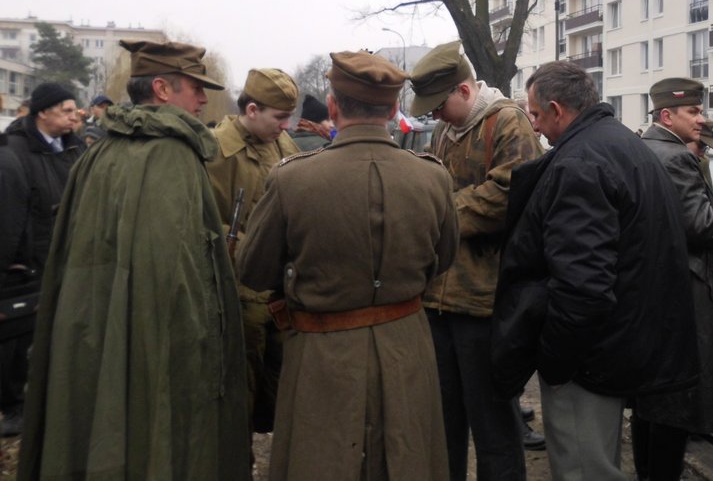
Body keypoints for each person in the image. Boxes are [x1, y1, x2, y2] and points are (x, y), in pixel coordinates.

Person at [17, 40, 250, 481]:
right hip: (154, 341)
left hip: (92, 329)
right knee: (154, 424)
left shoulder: (98, 153)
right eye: (195, 87)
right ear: (162, 88)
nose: (203, 99)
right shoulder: (175, 157)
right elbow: (180, 283)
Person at [237, 51, 459, 481]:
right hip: (407, 346)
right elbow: (444, 258)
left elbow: (253, 271)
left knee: (319, 462)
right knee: (406, 460)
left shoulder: (291, 178)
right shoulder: (433, 177)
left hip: (321, 354)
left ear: (333, 106)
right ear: (393, 110)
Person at [492, 60, 698, 481]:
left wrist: (556, 362)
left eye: (536, 115)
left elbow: (582, 286)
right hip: (620, 344)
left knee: (585, 471)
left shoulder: (580, 162)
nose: (535, 127)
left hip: (589, 358)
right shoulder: (622, 143)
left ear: (557, 109)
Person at [409, 40, 543, 480]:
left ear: (464, 91)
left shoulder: (508, 123)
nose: (435, 116)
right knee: (442, 422)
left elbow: (509, 195)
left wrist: (438, 214)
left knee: (494, 427)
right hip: (438, 301)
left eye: (439, 105)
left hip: (485, 304)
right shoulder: (445, 131)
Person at [634, 79, 713, 481]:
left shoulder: (644, 148)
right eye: (693, 112)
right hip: (686, 289)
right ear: (666, 116)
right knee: (676, 405)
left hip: (654, 288)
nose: (702, 118)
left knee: (651, 403)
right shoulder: (676, 156)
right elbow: (701, 226)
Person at [206, 68, 300, 438]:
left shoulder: (285, 146)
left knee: (279, 395)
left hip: (281, 295)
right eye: (279, 117)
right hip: (238, 296)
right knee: (236, 400)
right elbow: (204, 223)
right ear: (252, 110)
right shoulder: (216, 151)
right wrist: (256, 249)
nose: (286, 125)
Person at [0, 82, 84, 436]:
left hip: (66, 257)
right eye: (67, 110)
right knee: (18, 340)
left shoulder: (74, 148)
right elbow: (9, 215)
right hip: (27, 264)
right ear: (43, 112)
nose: (75, 116)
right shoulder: (14, 152)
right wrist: (11, 264)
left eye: (75, 110)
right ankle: (14, 407)